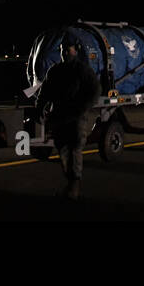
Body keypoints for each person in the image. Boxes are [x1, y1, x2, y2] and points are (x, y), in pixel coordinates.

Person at [34, 33, 99, 199]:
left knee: (74, 150)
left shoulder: (83, 70)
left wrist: (82, 109)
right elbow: (44, 92)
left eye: (67, 49)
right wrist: (39, 108)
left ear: (75, 50)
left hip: (76, 118)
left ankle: (74, 189)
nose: (64, 52)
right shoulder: (55, 70)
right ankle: (70, 185)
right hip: (60, 118)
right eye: (62, 50)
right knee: (63, 151)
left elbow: (94, 92)